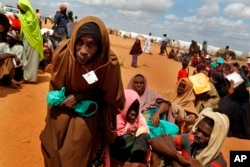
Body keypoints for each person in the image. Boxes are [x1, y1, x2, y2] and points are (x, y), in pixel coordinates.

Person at [39, 16, 125, 167]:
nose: (83, 51)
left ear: (100, 47)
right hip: (63, 103)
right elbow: (55, 86)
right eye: (80, 43)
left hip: (91, 108)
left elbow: (113, 99)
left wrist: (82, 96)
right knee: (51, 140)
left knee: (78, 141)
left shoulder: (108, 63)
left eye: (91, 45)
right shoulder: (64, 54)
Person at [149, 107, 229, 167]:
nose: (198, 135)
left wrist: (172, 157)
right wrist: (180, 157)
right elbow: (155, 140)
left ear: (214, 139)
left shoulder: (218, 163)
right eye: (198, 130)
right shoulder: (191, 140)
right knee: (156, 153)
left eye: (205, 134)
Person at [127, 74, 179, 138]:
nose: (139, 85)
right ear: (132, 83)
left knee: (173, 128)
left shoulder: (150, 94)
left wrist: (157, 113)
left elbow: (166, 103)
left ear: (145, 84)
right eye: (136, 83)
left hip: (148, 124)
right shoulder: (127, 94)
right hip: (131, 123)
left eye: (141, 83)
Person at [109, 89, 150, 166]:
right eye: (130, 108)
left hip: (132, 155)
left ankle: (137, 161)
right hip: (117, 156)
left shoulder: (139, 118)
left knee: (144, 134)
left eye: (135, 109)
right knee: (128, 139)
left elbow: (146, 132)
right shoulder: (115, 117)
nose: (133, 113)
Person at [17, 0, 44, 83]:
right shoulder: (22, 16)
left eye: (19, 7)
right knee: (26, 57)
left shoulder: (32, 17)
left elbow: (29, 27)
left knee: (33, 59)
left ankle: (32, 78)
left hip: (35, 40)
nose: (19, 9)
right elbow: (22, 28)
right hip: (26, 39)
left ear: (24, 7)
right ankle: (26, 77)